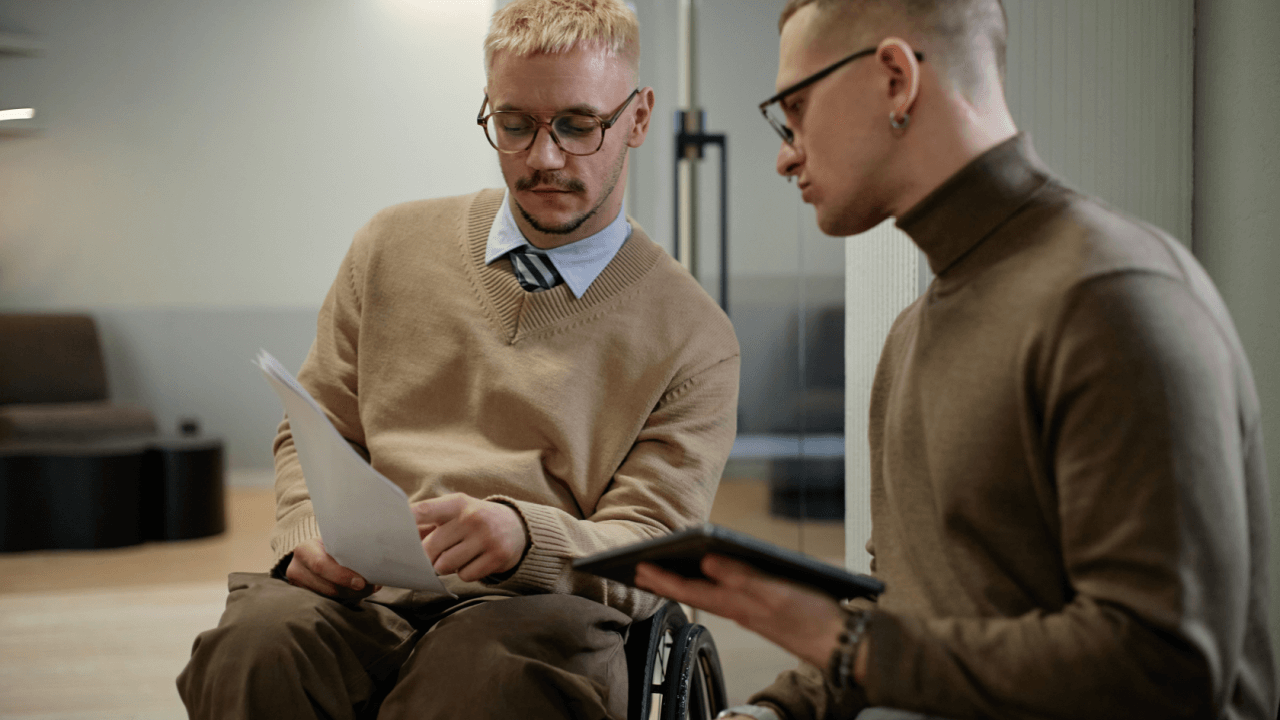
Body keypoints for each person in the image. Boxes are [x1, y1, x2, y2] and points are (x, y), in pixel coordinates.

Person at [635, 0, 1277, 718]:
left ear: (895, 78)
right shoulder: (912, 336)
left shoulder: (1112, 297)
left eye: (797, 109)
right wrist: (776, 712)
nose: (786, 153)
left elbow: (1163, 668)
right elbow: (907, 625)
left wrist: (839, 638)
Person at [176, 1, 740, 717]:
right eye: (515, 124)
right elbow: (314, 429)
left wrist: (525, 540)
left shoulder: (694, 336)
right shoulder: (388, 247)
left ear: (638, 117)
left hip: (533, 610)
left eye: (578, 125)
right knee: (251, 649)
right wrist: (307, 534)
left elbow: (652, 547)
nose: (544, 158)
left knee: (483, 684)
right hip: (359, 594)